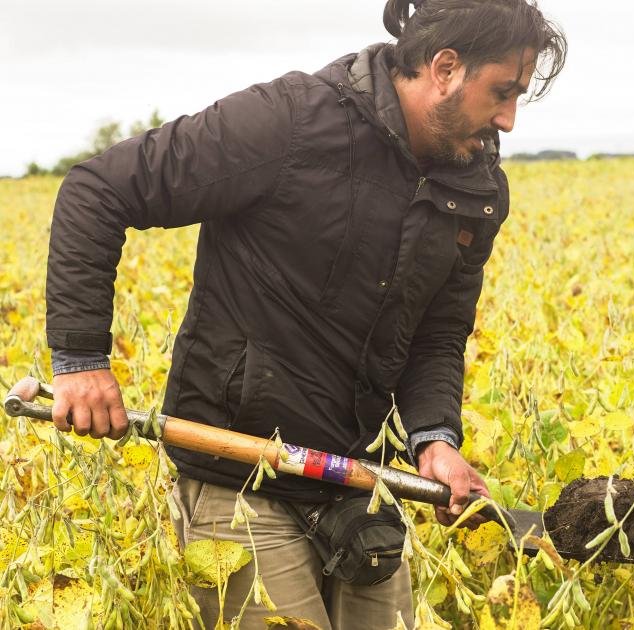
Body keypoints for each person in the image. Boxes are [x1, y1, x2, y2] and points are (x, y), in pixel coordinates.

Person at [44, 0, 566, 627]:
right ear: (445, 68)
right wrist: (80, 359)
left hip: (362, 482)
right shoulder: (288, 122)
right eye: (501, 92)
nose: (508, 119)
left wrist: (434, 440)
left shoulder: (475, 186)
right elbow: (99, 190)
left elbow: (436, 333)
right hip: (238, 477)